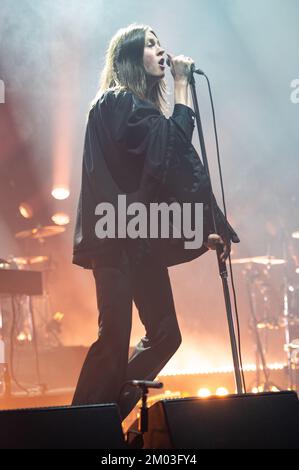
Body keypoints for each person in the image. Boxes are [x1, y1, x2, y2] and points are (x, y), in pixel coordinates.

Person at [71, 24, 239, 420]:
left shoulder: (141, 113)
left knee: (166, 335)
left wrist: (202, 227)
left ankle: (101, 416)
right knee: (113, 339)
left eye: (160, 43)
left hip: (139, 239)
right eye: (150, 45)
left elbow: (162, 174)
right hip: (114, 236)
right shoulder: (115, 102)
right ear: (129, 57)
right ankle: (77, 428)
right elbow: (170, 156)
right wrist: (182, 87)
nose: (162, 51)